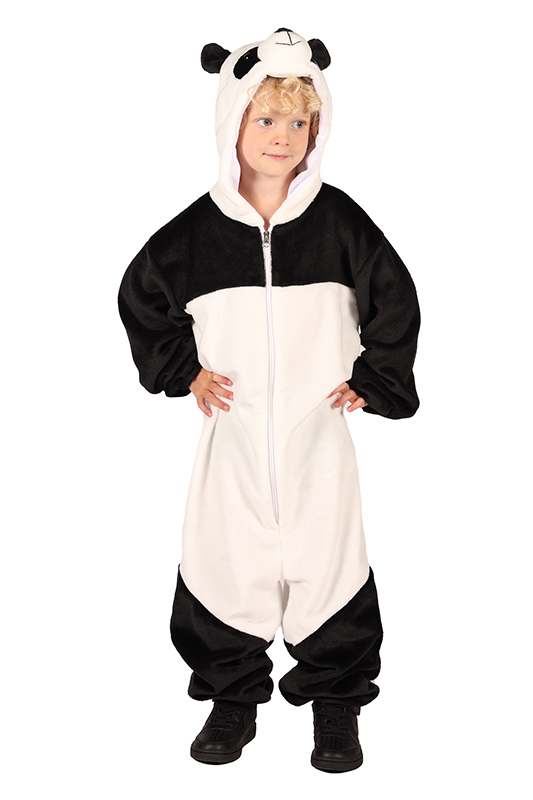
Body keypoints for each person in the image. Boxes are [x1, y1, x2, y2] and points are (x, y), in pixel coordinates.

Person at [118, 28, 420, 773]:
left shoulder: (340, 224)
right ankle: (231, 697)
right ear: (232, 121)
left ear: (317, 129)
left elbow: (394, 298)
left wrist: (376, 378)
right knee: (222, 559)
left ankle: (336, 703)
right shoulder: (194, 235)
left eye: (298, 122)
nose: (282, 136)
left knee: (332, 561)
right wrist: (183, 370)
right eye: (265, 118)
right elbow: (141, 298)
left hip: (319, 434)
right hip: (234, 437)